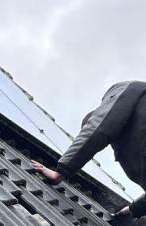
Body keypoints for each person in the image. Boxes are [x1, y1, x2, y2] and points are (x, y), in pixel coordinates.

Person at [31, 80, 146, 218]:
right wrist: (134, 209)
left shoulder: (127, 90)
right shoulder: (133, 139)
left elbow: (99, 128)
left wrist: (62, 171)